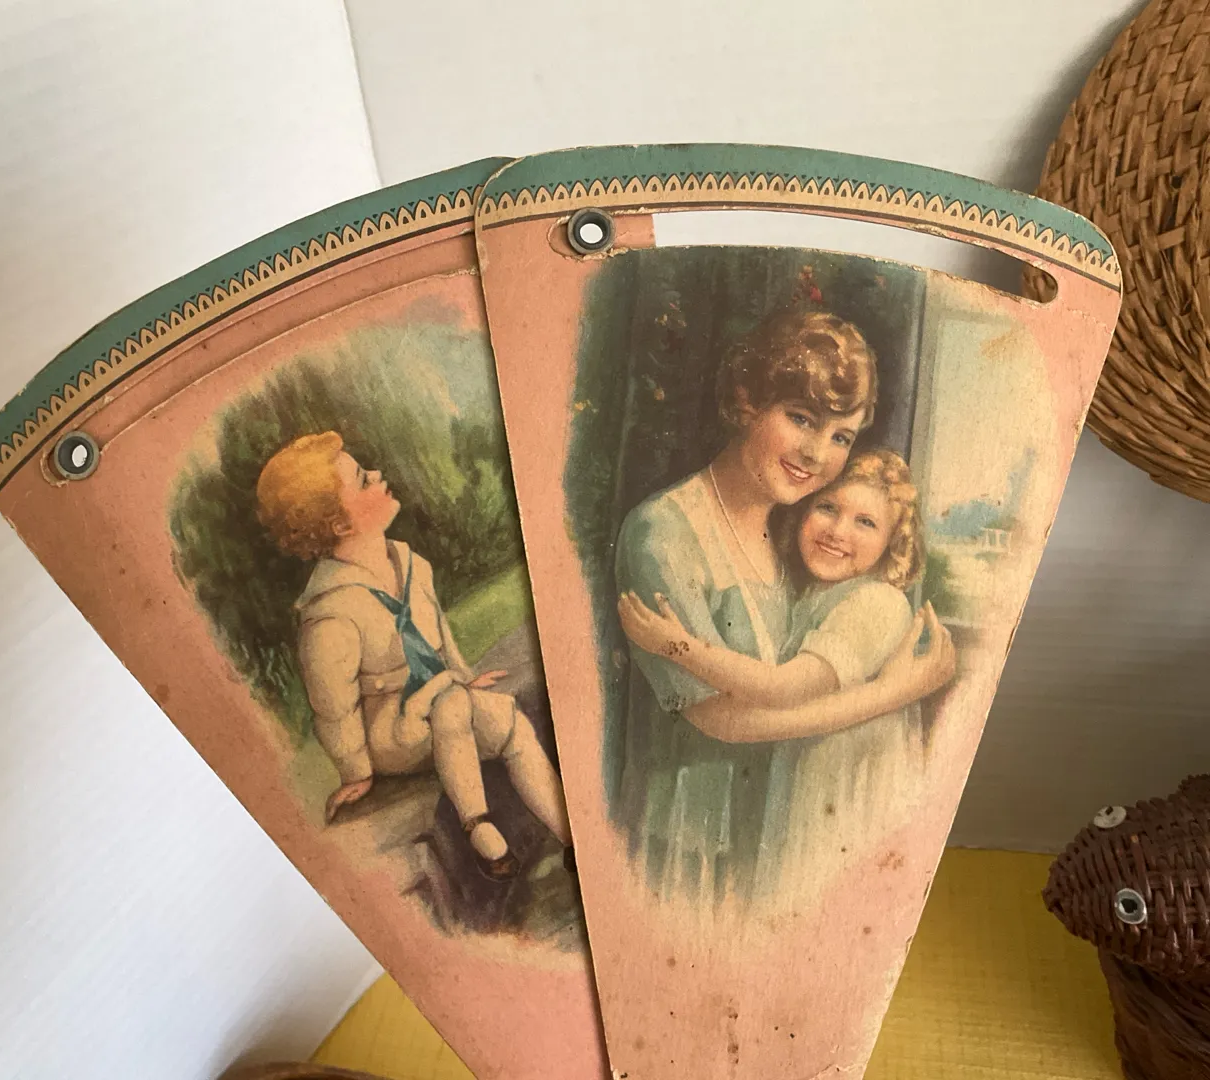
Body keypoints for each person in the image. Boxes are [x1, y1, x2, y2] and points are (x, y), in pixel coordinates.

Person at [612, 309, 954, 908]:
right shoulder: (662, 534)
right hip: (693, 833)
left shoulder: (794, 536)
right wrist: (894, 693)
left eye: (841, 437)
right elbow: (720, 720)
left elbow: (798, 677)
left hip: (772, 827)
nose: (818, 454)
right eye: (801, 418)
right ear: (747, 400)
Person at [256, 431, 572, 881]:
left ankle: (571, 840)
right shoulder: (330, 612)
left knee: (509, 722)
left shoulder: (410, 563)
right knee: (452, 703)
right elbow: (333, 706)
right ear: (340, 525)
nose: (378, 475)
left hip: (444, 702)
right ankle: (477, 826)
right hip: (393, 728)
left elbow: (440, 635)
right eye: (363, 479)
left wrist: (462, 673)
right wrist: (355, 771)